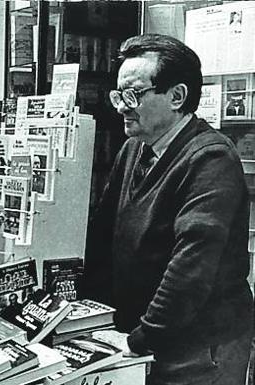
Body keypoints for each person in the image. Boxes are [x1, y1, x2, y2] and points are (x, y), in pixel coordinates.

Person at [83, 34, 254, 385]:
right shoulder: (133, 149)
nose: (121, 106)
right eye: (119, 95)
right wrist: (90, 316)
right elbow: (101, 235)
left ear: (177, 96)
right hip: (143, 338)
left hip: (200, 351)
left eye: (133, 95)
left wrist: (141, 338)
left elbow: (191, 269)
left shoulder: (211, 158)